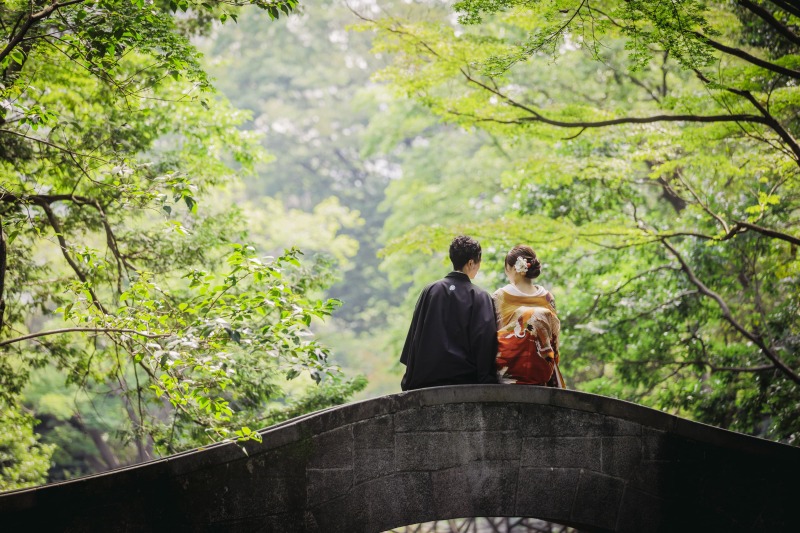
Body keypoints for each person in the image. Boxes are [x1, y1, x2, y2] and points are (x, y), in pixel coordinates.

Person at [400, 235, 499, 391]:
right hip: (465, 383)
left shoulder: (430, 291)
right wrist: (488, 382)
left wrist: (409, 379)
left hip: (425, 382)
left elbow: (415, 336)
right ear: (471, 263)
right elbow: (485, 341)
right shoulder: (479, 296)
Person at [493, 245, 566, 388]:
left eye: (506, 267)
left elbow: (491, 334)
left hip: (506, 371)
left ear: (514, 269)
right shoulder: (547, 298)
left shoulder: (501, 296)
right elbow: (554, 339)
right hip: (540, 371)